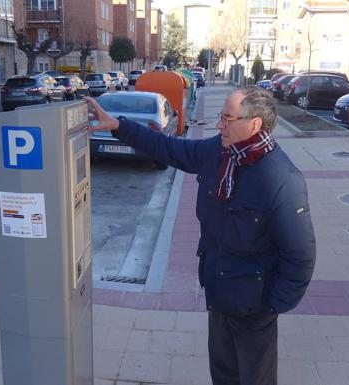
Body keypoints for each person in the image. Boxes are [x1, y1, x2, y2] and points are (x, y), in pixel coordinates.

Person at [85, 86, 316, 385]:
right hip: (219, 293)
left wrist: (271, 306)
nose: (220, 123)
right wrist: (119, 126)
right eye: (221, 116)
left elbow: (300, 254)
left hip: (253, 306)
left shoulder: (281, 178)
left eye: (228, 118)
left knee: (255, 379)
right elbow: (169, 148)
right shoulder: (220, 153)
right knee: (222, 374)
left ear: (255, 124)